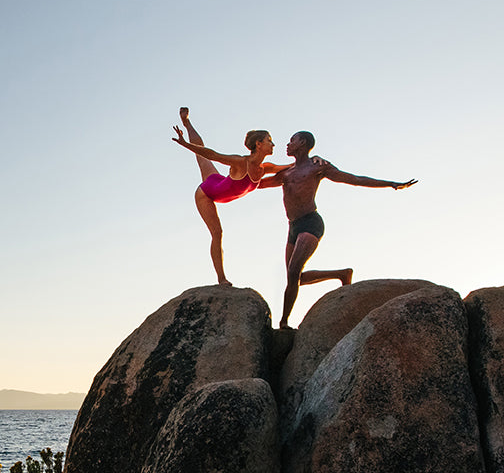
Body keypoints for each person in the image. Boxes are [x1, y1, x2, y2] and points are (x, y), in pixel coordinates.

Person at [261, 130, 416, 328]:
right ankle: (341, 274)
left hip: (311, 223)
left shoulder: (317, 167)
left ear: (304, 143)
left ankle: (283, 323)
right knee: (295, 279)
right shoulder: (285, 173)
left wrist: (391, 184)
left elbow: (354, 179)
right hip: (292, 226)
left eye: (293, 140)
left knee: (293, 272)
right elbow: (254, 184)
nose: (288, 144)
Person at [172, 107, 285, 287]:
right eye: (269, 141)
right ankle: (222, 279)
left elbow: (292, 167)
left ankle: (187, 122)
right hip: (207, 192)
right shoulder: (241, 162)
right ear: (259, 145)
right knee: (217, 233)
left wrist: (317, 160)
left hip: (217, 181)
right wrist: (185, 144)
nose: (273, 144)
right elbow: (212, 154)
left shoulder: (265, 168)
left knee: (202, 160)